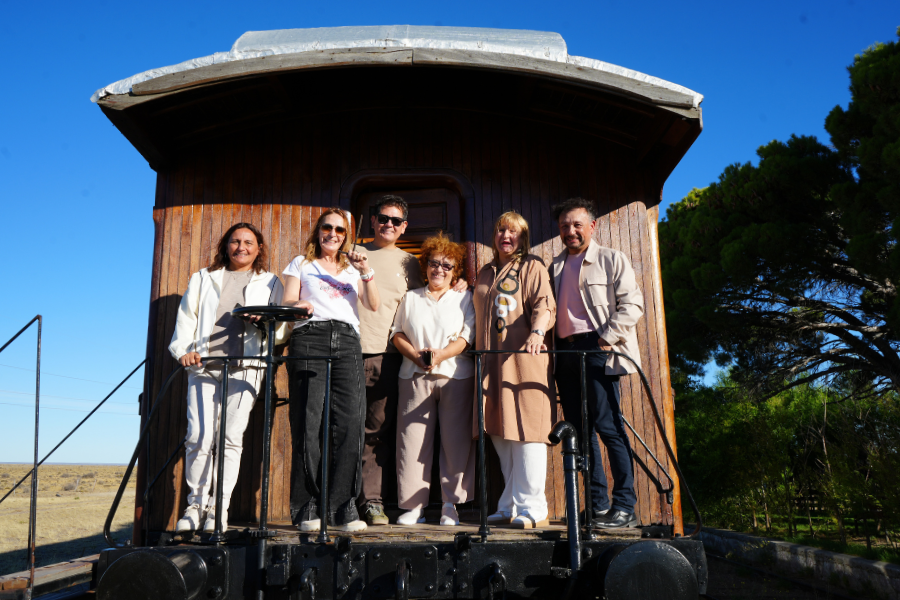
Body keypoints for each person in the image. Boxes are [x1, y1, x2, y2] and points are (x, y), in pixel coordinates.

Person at [169, 222, 288, 533]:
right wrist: (183, 350)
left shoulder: (271, 282)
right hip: (204, 365)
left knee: (231, 439)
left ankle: (218, 509)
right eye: (235, 241)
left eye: (249, 242)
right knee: (200, 435)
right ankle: (196, 504)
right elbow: (186, 318)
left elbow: (280, 333)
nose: (241, 247)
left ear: (259, 248)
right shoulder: (203, 278)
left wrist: (265, 321)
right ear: (226, 246)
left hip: (247, 366)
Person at [355, 195, 466, 526]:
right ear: (373, 220)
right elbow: (398, 327)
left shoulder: (419, 270)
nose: (439, 269)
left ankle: (440, 505)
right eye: (383, 217)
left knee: (384, 433)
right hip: (366, 356)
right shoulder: (358, 258)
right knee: (359, 434)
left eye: (396, 220)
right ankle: (348, 503)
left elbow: (460, 328)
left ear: (404, 227)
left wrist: (436, 356)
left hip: (414, 364)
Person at [283, 208, 380, 533]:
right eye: (327, 227)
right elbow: (288, 301)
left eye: (340, 230)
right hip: (310, 337)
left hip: (348, 340)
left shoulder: (353, 266)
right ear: (318, 230)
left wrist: (366, 271)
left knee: (351, 422)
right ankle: (307, 507)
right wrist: (300, 306)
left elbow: (373, 304)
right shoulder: (301, 262)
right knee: (308, 422)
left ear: (346, 235)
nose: (333, 234)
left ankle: (343, 508)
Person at [550, 197, 643, 529]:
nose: (570, 231)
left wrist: (606, 338)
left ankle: (625, 505)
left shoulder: (611, 259)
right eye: (564, 226)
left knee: (609, 427)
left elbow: (633, 305)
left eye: (577, 224)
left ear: (592, 226)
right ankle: (598, 505)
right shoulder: (555, 267)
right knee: (581, 431)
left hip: (598, 346)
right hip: (565, 353)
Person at [473, 211, 556, 529]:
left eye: (513, 231)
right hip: (490, 363)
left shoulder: (531, 266)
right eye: (500, 230)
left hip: (524, 360)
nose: (506, 236)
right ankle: (510, 503)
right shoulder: (486, 271)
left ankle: (534, 507)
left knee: (527, 431)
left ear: (523, 238)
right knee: (499, 429)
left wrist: (537, 332)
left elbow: (544, 304)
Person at [390, 233, 476, 527]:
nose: (439, 269)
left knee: (455, 443)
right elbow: (396, 333)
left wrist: (439, 356)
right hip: (413, 375)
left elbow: (467, 336)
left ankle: (451, 506)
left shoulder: (465, 297)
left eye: (447, 266)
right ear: (425, 266)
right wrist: (416, 356)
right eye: (434, 263)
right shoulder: (411, 297)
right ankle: (414, 506)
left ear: (456, 272)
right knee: (411, 442)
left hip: (455, 376)